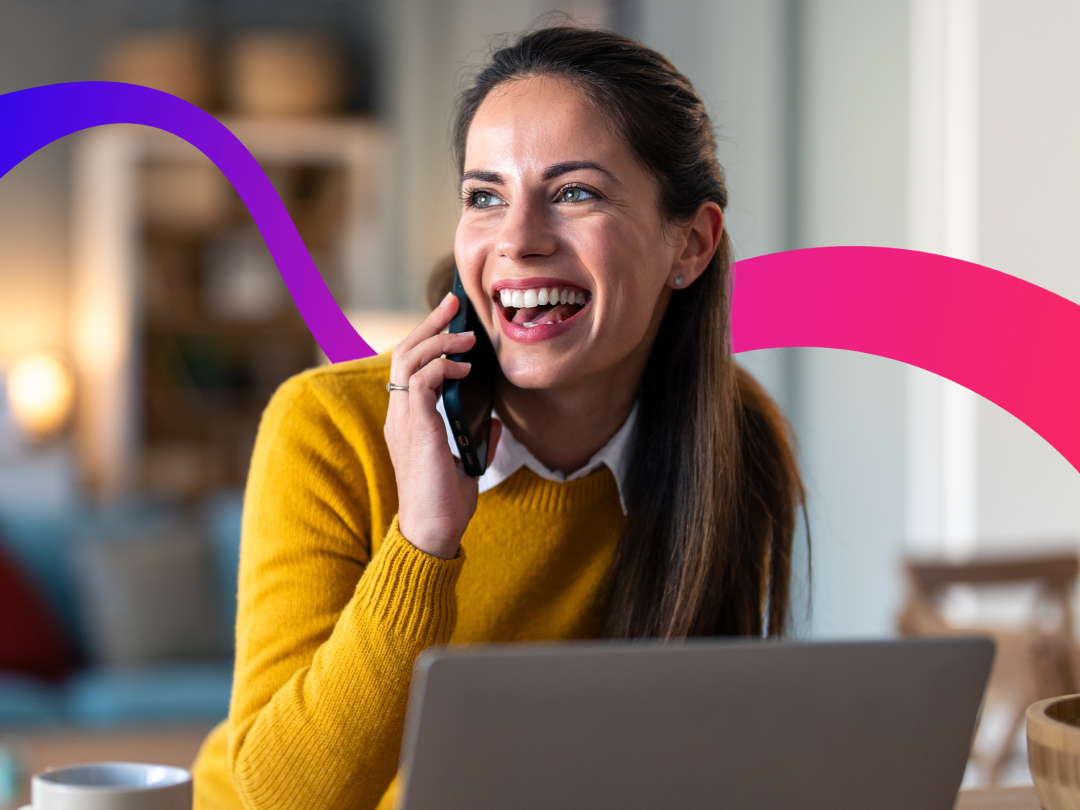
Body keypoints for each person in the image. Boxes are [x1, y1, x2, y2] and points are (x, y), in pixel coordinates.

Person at [192, 25, 806, 810]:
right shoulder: (327, 427)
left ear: (689, 244)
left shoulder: (736, 438)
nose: (516, 241)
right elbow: (282, 802)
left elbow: (703, 755)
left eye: (575, 193)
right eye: (485, 197)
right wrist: (424, 539)